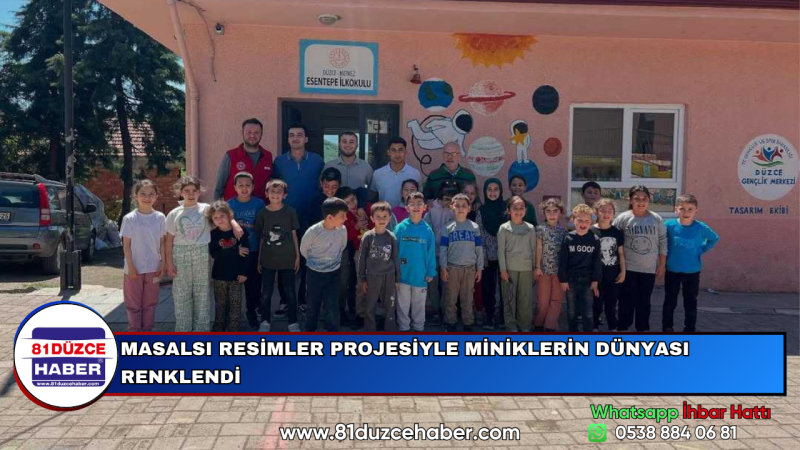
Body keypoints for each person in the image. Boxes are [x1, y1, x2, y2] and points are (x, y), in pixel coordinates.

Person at [166, 176, 243, 332]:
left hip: (201, 254)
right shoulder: (174, 213)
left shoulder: (206, 209)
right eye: (187, 191)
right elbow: (169, 241)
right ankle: (183, 330)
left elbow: (224, 214)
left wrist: (234, 225)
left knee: (202, 294)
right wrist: (169, 263)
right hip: (180, 255)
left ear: (199, 192)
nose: (191, 194)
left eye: (194, 190)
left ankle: (201, 331)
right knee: (182, 294)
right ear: (181, 192)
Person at [273, 123, 325, 310]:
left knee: (306, 260)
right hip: (284, 217)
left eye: (299, 135)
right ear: (288, 139)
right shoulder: (279, 161)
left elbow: (323, 187)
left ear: (306, 139)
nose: (295, 138)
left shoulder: (317, 161)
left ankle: (303, 299)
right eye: (292, 135)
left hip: (309, 218)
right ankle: (285, 300)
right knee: (284, 259)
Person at [613, 185, 668, 332]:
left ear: (649, 200)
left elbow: (663, 242)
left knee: (644, 301)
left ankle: (642, 329)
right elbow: (614, 241)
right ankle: (623, 328)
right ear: (630, 200)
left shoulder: (656, 218)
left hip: (648, 269)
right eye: (637, 198)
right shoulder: (623, 218)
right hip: (628, 269)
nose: (641, 202)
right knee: (626, 301)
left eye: (645, 198)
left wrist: (661, 265)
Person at [663, 194, 719, 332]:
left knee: (690, 302)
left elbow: (714, 238)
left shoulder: (700, 227)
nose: (686, 212)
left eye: (690, 209)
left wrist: (702, 249)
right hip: (672, 270)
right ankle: (667, 327)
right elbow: (661, 242)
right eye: (682, 208)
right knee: (670, 301)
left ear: (696, 211)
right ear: (676, 209)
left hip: (692, 272)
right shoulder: (668, 225)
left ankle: (689, 328)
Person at [254, 179, 301, 332]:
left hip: (287, 259)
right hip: (268, 259)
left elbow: (294, 235)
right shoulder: (262, 213)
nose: (275, 195)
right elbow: (262, 238)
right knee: (266, 292)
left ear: (285, 195)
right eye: (272, 192)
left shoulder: (290, 211)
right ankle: (265, 321)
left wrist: (297, 256)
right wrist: (259, 259)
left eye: (279, 192)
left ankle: (293, 322)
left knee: (290, 292)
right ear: (266, 194)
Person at [120, 180, 166, 332]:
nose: (147, 197)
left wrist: (162, 263)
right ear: (135, 196)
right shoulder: (129, 218)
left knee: (150, 303)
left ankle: (147, 331)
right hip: (134, 268)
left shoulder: (160, 217)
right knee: (133, 303)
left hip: (153, 267)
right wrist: (131, 266)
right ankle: (134, 331)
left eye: (151, 194)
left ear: (156, 196)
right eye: (143, 194)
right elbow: (126, 245)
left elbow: (162, 243)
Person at [300, 197, 348, 332]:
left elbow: (342, 246)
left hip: (333, 275)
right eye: (342, 216)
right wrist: (317, 263)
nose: (345, 219)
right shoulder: (313, 231)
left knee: (332, 306)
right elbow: (304, 249)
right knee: (312, 306)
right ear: (330, 217)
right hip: (314, 274)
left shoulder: (342, 230)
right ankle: (310, 331)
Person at [226, 172, 266, 329]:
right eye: (240, 185)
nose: (244, 188)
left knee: (253, 286)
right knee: (234, 286)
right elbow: (224, 228)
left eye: (248, 185)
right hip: (236, 252)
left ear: (253, 187)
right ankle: (233, 316)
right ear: (235, 187)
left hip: (253, 251)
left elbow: (263, 228)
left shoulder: (259, 204)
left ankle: (251, 312)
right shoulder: (229, 205)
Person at [440, 193, 484, 332]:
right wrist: (443, 267)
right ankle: (450, 322)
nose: (460, 208)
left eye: (464, 206)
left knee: (467, 298)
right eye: (457, 205)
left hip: (470, 269)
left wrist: (479, 268)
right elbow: (443, 249)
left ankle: (468, 323)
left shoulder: (474, 227)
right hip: (452, 268)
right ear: (451, 207)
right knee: (450, 298)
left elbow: (479, 249)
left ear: (469, 208)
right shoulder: (448, 227)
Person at [394, 192, 437, 332]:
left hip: (420, 276)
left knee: (419, 305)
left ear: (425, 207)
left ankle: (418, 328)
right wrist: (395, 271)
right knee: (402, 304)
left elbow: (431, 252)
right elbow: (394, 251)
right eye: (412, 204)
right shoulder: (400, 228)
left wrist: (430, 271)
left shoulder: (428, 230)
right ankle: (403, 328)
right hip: (403, 276)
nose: (416, 207)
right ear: (407, 208)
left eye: (419, 204)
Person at [558, 204, 602, 332]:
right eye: (580, 220)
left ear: (591, 222)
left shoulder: (594, 239)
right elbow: (563, 261)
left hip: (587, 280)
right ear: (573, 220)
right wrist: (563, 279)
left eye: (587, 220)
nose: (583, 223)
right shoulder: (568, 238)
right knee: (571, 311)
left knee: (587, 312)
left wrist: (595, 280)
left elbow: (597, 262)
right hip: (571, 279)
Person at [207, 201, 249, 332]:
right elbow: (215, 254)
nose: (219, 219)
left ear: (229, 215)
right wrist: (235, 251)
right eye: (215, 217)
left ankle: (233, 329)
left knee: (235, 304)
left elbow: (246, 254)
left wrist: (244, 273)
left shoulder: (240, 232)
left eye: (222, 216)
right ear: (212, 219)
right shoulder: (213, 235)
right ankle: (219, 327)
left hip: (236, 275)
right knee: (220, 304)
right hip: (219, 275)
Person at [358, 202, 400, 332]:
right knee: (370, 305)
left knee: (390, 305)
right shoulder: (368, 236)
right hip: (372, 276)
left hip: (389, 276)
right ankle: (370, 330)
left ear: (389, 218)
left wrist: (397, 278)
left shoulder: (392, 237)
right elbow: (362, 259)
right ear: (372, 218)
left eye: (385, 216)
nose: (381, 220)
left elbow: (395, 258)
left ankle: (390, 330)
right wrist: (362, 279)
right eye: (378, 216)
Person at [497, 196, 537, 332]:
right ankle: (511, 326)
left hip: (526, 269)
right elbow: (501, 251)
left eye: (521, 208)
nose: (518, 211)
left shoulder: (530, 228)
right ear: (509, 210)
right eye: (515, 208)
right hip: (509, 270)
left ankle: (524, 326)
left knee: (525, 300)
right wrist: (503, 270)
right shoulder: (504, 228)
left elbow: (533, 249)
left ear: (525, 210)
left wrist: (534, 268)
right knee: (509, 299)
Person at [214, 118, 273, 202]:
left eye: (256, 132)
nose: (252, 135)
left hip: (260, 208)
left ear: (261, 134)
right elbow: (219, 187)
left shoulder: (267, 156)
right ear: (242, 133)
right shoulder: (231, 155)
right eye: (249, 132)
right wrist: (216, 207)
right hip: (234, 208)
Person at [424, 180, 458, 324]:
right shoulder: (432, 207)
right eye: (445, 195)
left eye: (451, 195)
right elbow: (426, 227)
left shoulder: (454, 209)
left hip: (448, 253)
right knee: (433, 283)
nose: (447, 199)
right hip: (432, 252)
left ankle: (445, 311)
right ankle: (435, 310)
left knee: (446, 284)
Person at [533, 198, 568, 332]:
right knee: (543, 301)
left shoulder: (563, 232)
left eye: (555, 211)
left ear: (560, 212)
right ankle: (538, 324)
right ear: (544, 213)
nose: (552, 214)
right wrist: (537, 267)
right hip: (544, 271)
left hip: (559, 272)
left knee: (556, 300)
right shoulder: (540, 229)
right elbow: (538, 248)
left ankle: (550, 326)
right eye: (548, 211)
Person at [593, 198, 626, 332]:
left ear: (613, 213)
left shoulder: (617, 232)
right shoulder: (591, 231)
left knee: (611, 304)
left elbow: (621, 253)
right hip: (596, 276)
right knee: (596, 302)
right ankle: (594, 326)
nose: (606, 214)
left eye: (609, 211)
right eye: (603, 211)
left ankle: (613, 327)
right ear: (596, 212)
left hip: (613, 275)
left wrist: (623, 271)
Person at [477, 178, 505, 330]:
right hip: (488, 256)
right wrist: (484, 256)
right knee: (488, 288)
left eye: (496, 189)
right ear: (484, 191)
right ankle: (489, 316)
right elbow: (480, 234)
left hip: (504, 257)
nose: (493, 192)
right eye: (489, 189)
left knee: (504, 288)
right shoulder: (481, 211)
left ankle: (503, 317)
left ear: (501, 191)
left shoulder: (506, 209)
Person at [370, 137, 421, 208]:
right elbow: (373, 195)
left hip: (408, 214)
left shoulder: (415, 174)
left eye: (400, 150)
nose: (397, 154)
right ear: (388, 152)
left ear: (405, 152)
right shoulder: (377, 174)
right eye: (393, 150)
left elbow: (419, 197)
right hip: (384, 214)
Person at [336, 186, 361, 326]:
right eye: (348, 202)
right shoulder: (341, 217)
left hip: (358, 255)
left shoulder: (362, 211)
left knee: (355, 282)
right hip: (344, 255)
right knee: (343, 281)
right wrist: (355, 228)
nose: (352, 204)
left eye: (353, 199)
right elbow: (344, 237)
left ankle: (354, 309)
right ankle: (339, 311)